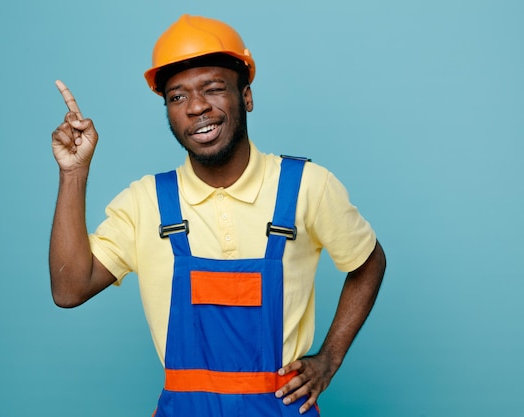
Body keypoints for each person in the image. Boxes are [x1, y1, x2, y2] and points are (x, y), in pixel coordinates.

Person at [49, 14, 386, 417]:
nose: (196, 107)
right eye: (177, 97)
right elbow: (69, 289)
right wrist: (74, 172)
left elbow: (369, 262)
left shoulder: (307, 187)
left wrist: (329, 359)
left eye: (212, 88)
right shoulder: (146, 203)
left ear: (246, 96)